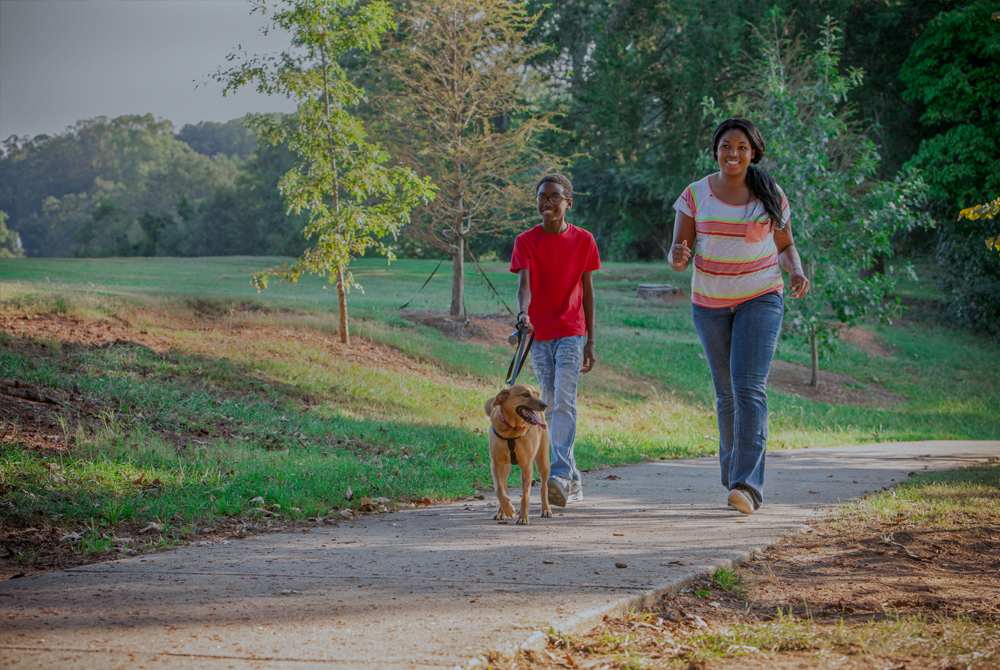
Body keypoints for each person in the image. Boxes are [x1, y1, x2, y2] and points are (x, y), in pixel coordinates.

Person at [669, 117, 809, 515]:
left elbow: (785, 246)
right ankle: (734, 476)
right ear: (715, 150)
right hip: (710, 302)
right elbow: (680, 253)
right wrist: (677, 257)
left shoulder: (769, 192)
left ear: (754, 152)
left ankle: (747, 486)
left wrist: (795, 269)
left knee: (749, 388)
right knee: (726, 394)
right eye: (726, 146)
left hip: (760, 296)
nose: (733, 153)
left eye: (742, 147)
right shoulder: (695, 194)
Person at [510, 174, 601, 507]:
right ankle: (573, 480)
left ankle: (559, 475)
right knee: (547, 400)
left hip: (572, 331)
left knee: (563, 398)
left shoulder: (584, 240)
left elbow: (588, 292)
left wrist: (591, 339)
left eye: (554, 197)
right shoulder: (525, 241)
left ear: (568, 203)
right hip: (538, 333)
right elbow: (524, 285)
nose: (547, 203)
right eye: (541, 198)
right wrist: (523, 314)